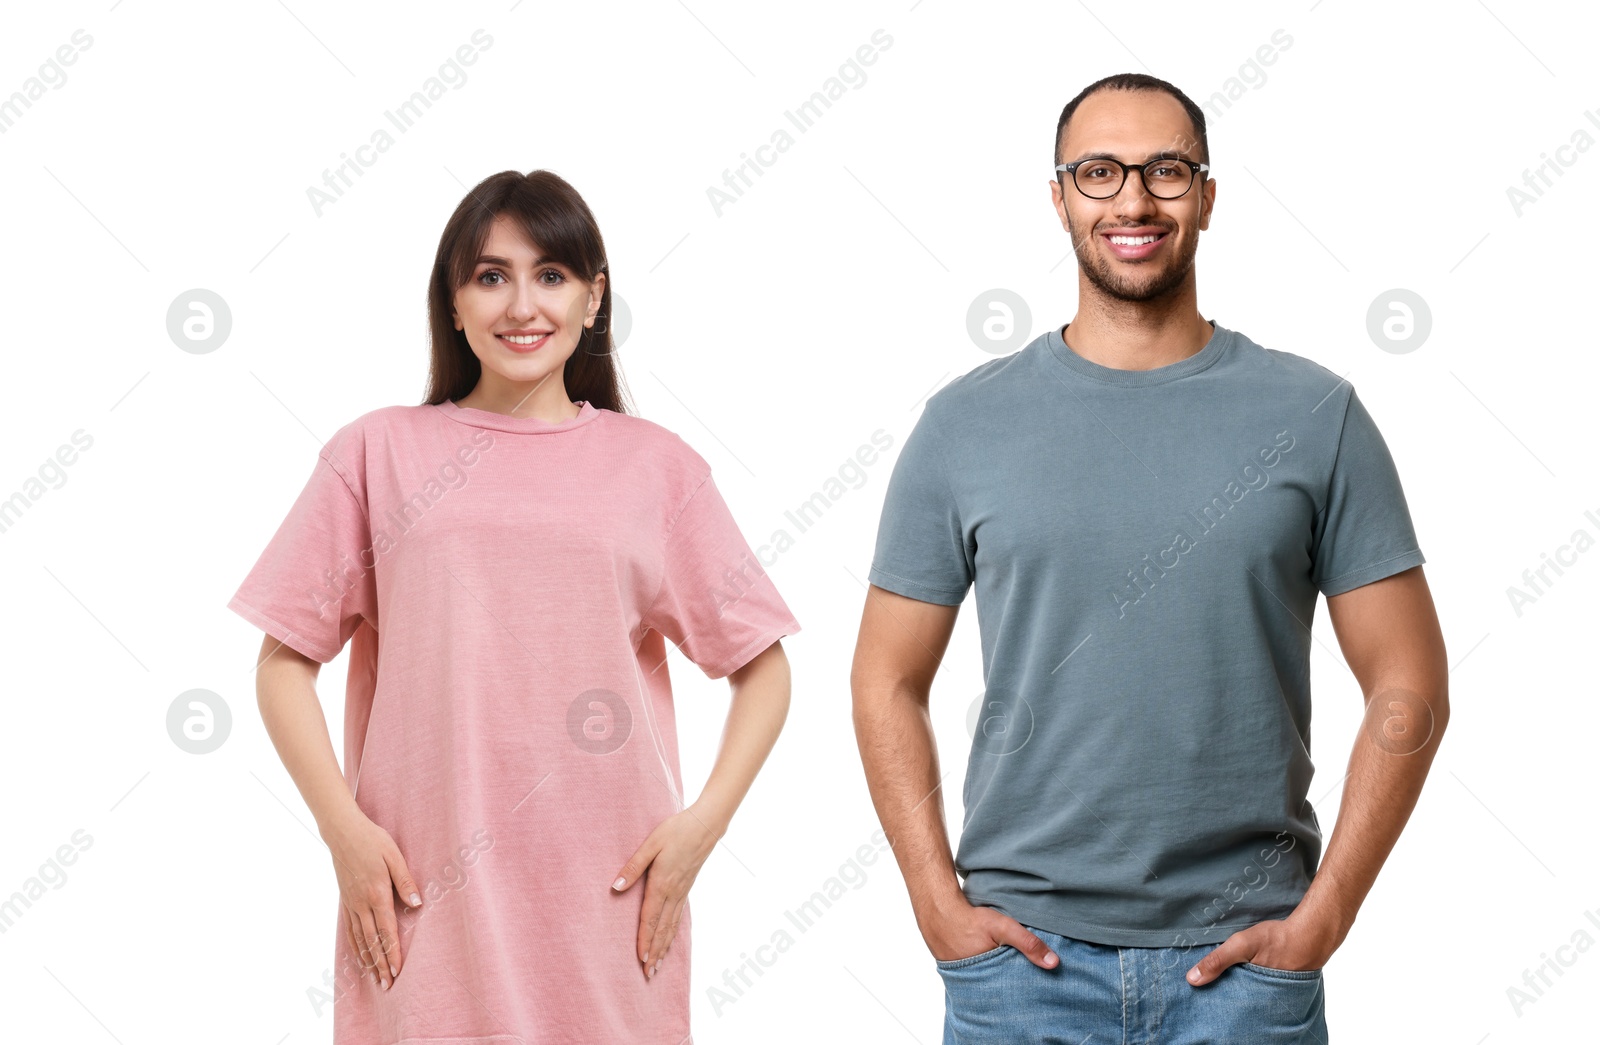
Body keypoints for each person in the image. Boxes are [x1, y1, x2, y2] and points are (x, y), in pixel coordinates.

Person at [850, 73, 1448, 1043]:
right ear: (1058, 196)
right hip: (1018, 972)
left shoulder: (1314, 415)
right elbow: (885, 675)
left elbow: (1409, 680)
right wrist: (935, 901)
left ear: (1207, 195)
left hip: (1247, 974)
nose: (1132, 201)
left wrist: (1326, 911)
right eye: (1099, 172)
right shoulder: (963, 425)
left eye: (1165, 170)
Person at [228, 169, 800, 1043]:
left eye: (553, 275)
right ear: (453, 303)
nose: (521, 304)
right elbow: (283, 662)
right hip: (419, 900)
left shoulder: (658, 468)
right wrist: (342, 831)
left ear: (593, 297)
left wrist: (700, 831)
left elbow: (762, 667)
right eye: (491, 276)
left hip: (609, 905)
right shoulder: (377, 453)